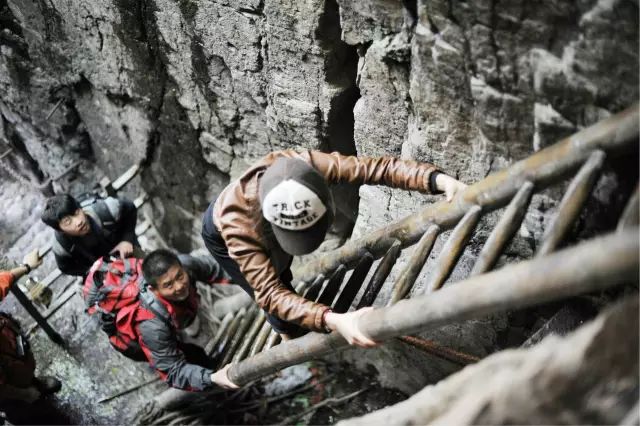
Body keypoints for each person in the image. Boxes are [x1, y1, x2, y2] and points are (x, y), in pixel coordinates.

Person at [202, 150, 467, 388]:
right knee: (275, 285)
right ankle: (287, 336)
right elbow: (269, 293)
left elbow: (377, 168)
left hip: (260, 222)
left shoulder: (307, 168)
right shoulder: (237, 226)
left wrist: (437, 180)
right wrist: (335, 319)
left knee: (283, 274)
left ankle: (291, 319)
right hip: (223, 235)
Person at [135, 249, 231, 391]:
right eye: (168, 285)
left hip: (170, 316)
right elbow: (173, 372)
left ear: (182, 266)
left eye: (180, 276)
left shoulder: (186, 264)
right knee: (196, 358)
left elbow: (220, 269)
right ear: (153, 290)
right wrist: (211, 378)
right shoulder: (151, 325)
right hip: (137, 341)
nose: (179, 286)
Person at [0, 249, 62, 413]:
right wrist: (23, 394)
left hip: (10, 354)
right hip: (6, 387)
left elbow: (2, 281)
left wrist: (27, 267)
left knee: (21, 368)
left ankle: (32, 382)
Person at [41, 193, 139, 276]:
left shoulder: (107, 208)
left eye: (76, 213)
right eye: (67, 222)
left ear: (81, 208)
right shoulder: (61, 245)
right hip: (99, 270)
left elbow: (130, 208)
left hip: (125, 250)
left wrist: (127, 239)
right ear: (60, 230)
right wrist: (92, 270)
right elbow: (65, 267)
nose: (78, 222)